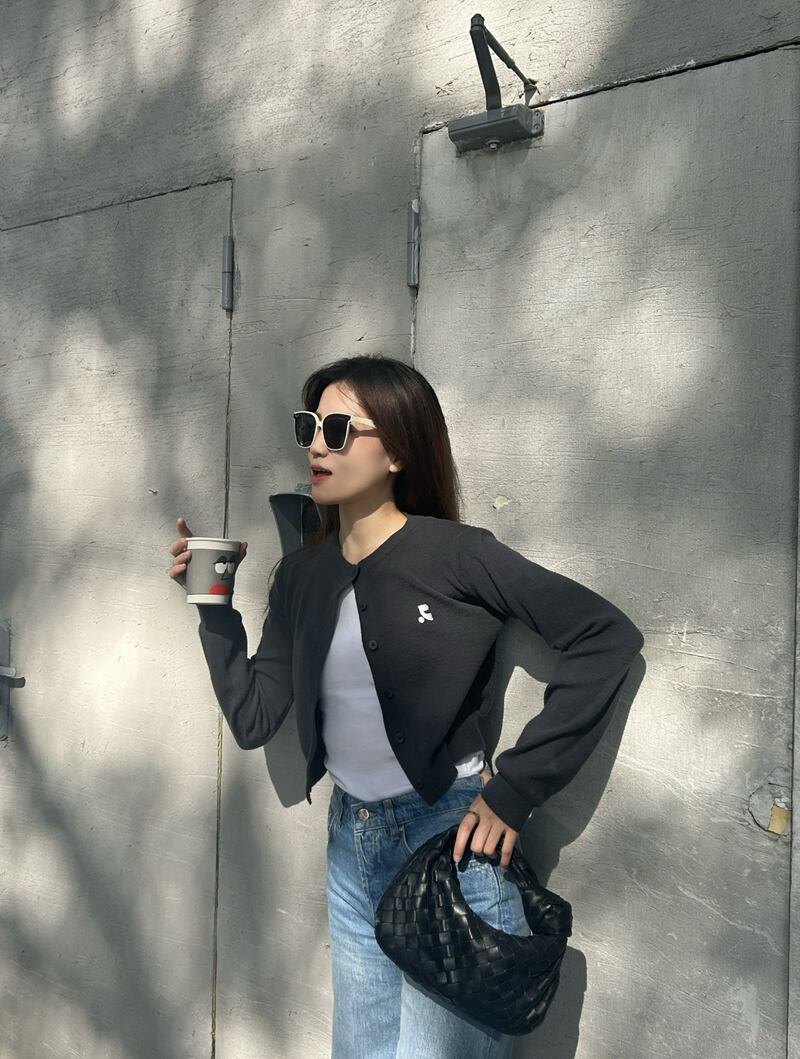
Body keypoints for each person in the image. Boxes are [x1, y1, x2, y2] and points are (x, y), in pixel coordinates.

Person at [168, 353, 644, 1058]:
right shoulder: (301, 575)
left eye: (337, 429)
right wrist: (213, 611)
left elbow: (605, 638)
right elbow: (253, 717)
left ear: (396, 450)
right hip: (350, 845)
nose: (316, 446)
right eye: (308, 427)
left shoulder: (457, 554)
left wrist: (516, 790)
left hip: (450, 844)